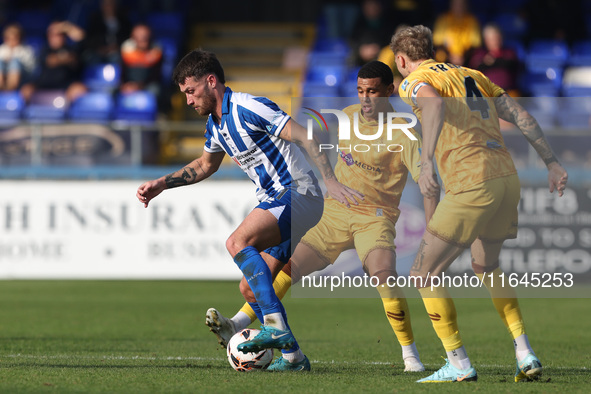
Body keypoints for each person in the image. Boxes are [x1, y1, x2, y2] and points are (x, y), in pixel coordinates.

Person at [136, 49, 362, 372]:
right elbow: (204, 165)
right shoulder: (215, 126)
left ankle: (276, 327)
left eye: (190, 91)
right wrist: (162, 184)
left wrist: (332, 181)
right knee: (250, 287)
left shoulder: (249, 107)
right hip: (279, 201)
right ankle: (294, 359)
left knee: (235, 242)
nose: (187, 101)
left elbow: (307, 136)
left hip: (298, 192)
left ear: (210, 81)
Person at [206, 60, 439, 372]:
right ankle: (238, 322)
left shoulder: (405, 134)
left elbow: (427, 182)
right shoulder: (349, 118)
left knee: (384, 276)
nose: (365, 98)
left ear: (389, 90)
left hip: (375, 217)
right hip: (333, 213)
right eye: (360, 91)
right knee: (283, 270)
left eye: (372, 91)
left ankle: (411, 357)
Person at [390, 25, 568, 383]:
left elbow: (433, 102)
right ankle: (524, 351)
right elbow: (522, 116)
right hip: (506, 179)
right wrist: (552, 162)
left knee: (423, 273)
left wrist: (426, 161)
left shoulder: (413, 81)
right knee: (487, 266)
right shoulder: (473, 74)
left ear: (401, 60)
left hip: (470, 183)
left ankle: (457, 362)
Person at [20, 21, 87, 103]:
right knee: (26, 89)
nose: (54, 37)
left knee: (79, 89)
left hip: (66, 83)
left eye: (58, 34)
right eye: (51, 34)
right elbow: (51, 61)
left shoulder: (71, 49)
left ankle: (67, 114)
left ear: (64, 36)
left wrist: (66, 27)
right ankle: (28, 115)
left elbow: (81, 37)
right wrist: (67, 58)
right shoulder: (44, 50)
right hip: (44, 83)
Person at [468, 23, 520, 96]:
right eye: (492, 39)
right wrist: (485, 62)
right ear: (486, 40)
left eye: (497, 38)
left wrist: (494, 61)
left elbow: (512, 64)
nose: (496, 41)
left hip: (508, 92)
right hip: (487, 94)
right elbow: (475, 67)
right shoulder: (480, 53)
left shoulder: (509, 52)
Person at [432, 0, 481, 66]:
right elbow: (438, 43)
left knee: (477, 58)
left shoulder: (472, 21)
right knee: (439, 54)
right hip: (447, 57)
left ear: (466, 6)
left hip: (466, 58)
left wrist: (463, 57)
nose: (458, 7)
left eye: (461, 4)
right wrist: (451, 56)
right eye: (456, 4)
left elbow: (475, 44)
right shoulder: (443, 19)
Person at [120, 24, 162, 98]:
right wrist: (125, 85)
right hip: (128, 84)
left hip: (147, 85)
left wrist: (138, 86)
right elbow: (122, 73)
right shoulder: (126, 51)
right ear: (133, 37)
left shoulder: (156, 52)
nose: (141, 38)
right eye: (138, 36)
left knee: (154, 90)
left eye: (144, 37)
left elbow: (156, 76)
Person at [83, 0, 132, 65]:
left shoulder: (124, 21)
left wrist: (117, 47)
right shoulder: (94, 20)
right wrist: (99, 48)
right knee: (92, 59)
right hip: (98, 51)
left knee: (117, 59)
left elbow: (126, 38)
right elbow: (90, 38)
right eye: (106, 4)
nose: (108, 7)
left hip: (117, 51)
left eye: (111, 4)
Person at [0, 23, 36, 91]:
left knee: (15, 62)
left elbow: (32, 69)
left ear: (20, 38)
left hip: (23, 78)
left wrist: (13, 60)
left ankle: (10, 89)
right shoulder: (1, 49)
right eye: (8, 38)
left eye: (15, 38)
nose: (12, 41)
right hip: (4, 77)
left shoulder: (26, 50)